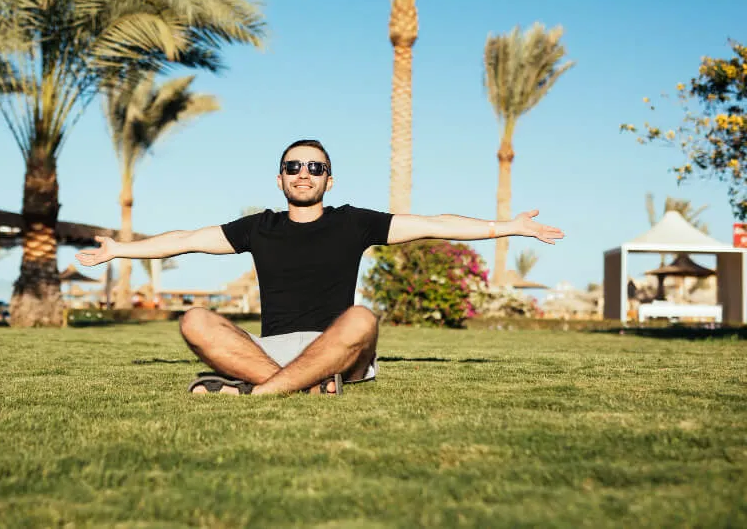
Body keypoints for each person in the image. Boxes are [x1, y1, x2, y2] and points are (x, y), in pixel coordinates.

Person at [76, 139, 564, 396]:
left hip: (337, 348)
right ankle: (303, 384)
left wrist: (509, 227)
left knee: (362, 318)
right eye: (293, 167)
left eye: (315, 167)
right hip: (271, 348)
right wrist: (119, 250)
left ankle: (258, 391)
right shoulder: (258, 228)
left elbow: (435, 224)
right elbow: (184, 240)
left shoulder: (354, 223)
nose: (303, 174)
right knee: (195, 319)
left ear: (329, 180)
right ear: (280, 179)